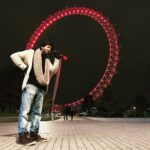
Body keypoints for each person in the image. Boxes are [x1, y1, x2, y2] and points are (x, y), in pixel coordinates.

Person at [10, 42, 60, 144]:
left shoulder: (47, 60)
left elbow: (54, 70)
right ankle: (22, 135)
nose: (49, 49)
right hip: (31, 85)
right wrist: (23, 67)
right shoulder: (30, 53)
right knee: (25, 111)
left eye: (51, 48)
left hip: (42, 88)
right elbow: (14, 56)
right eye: (48, 47)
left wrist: (57, 59)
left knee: (37, 113)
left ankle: (34, 134)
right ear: (42, 46)